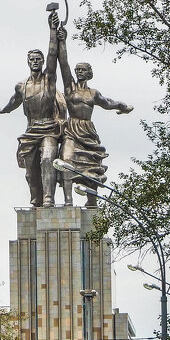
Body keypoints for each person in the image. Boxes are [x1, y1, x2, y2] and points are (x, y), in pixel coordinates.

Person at [54, 24, 132, 207]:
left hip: (87, 130)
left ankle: (92, 202)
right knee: (66, 161)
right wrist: (62, 41)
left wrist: (123, 106)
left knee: (92, 167)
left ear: (89, 73)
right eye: (77, 70)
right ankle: (68, 201)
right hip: (72, 129)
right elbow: (63, 63)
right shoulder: (69, 88)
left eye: (83, 70)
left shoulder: (93, 93)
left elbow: (108, 103)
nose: (79, 72)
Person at [0, 10, 63, 207]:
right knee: (30, 169)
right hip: (31, 130)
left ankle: (49, 198)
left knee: (47, 159)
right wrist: (5, 110)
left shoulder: (49, 79)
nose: (35, 62)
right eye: (32, 59)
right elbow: (15, 101)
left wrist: (52, 30)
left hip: (49, 129)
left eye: (38, 59)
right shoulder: (22, 85)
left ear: (42, 62)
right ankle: (37, 198)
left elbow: (53, 53)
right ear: (28, 62)